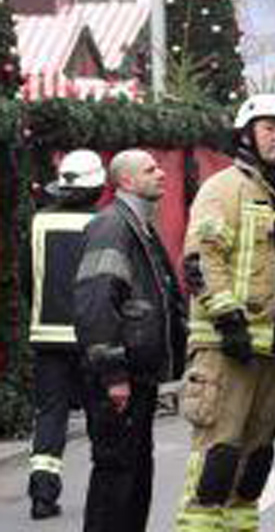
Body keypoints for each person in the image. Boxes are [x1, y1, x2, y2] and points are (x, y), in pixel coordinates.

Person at [175, 93, 275, 532]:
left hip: (267, 348)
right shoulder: (224, 188)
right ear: (246, 135)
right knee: (218, 456)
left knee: (255, 459)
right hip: (225, 345)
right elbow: (201, 258)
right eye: (269, 127)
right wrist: (228, 319)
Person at [73, 148, 187, 532]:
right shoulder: (112, 227)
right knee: (117, 478)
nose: (161, 174)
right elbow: (96, 304)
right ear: (125, 181)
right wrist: (113, 373)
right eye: (150, 169)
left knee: (134, 476)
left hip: (138, 376)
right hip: (120, 379)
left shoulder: (138, 225)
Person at [26, 149, 106, 519]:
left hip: (46, 336)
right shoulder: (103, 224)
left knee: (50, 414)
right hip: (93, 337)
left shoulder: (39, 223)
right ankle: (105, 492)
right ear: (99, 186)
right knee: (99, 415)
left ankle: (42, 494)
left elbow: (29, 280)